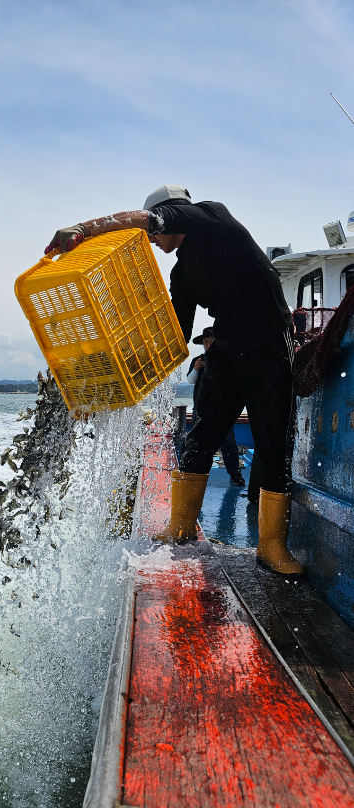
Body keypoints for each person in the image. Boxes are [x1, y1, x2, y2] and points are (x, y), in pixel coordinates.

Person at [45, 185, 301, 576]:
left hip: (268, 342)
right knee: (201, 436)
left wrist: (85, 229)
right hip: (228, 348)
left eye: (152, 233)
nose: (151, 239)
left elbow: (149, 219)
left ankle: (271, 545)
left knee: (272, 441)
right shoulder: (182, 274)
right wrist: (109, 381)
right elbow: (175, 336)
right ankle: (180, 527)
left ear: (170, 215)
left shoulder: (211, 217)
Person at [186, 326, 245, 487]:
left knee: (228, 443)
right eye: (206, 342)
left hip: (222, 410)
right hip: (201, 410)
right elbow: (191, 380)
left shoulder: (226, 359)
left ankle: (235, 474)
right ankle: (196, 478)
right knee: (199, 444)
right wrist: (196, 369)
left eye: (212, 341)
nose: (209, 344)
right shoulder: (198, 359)